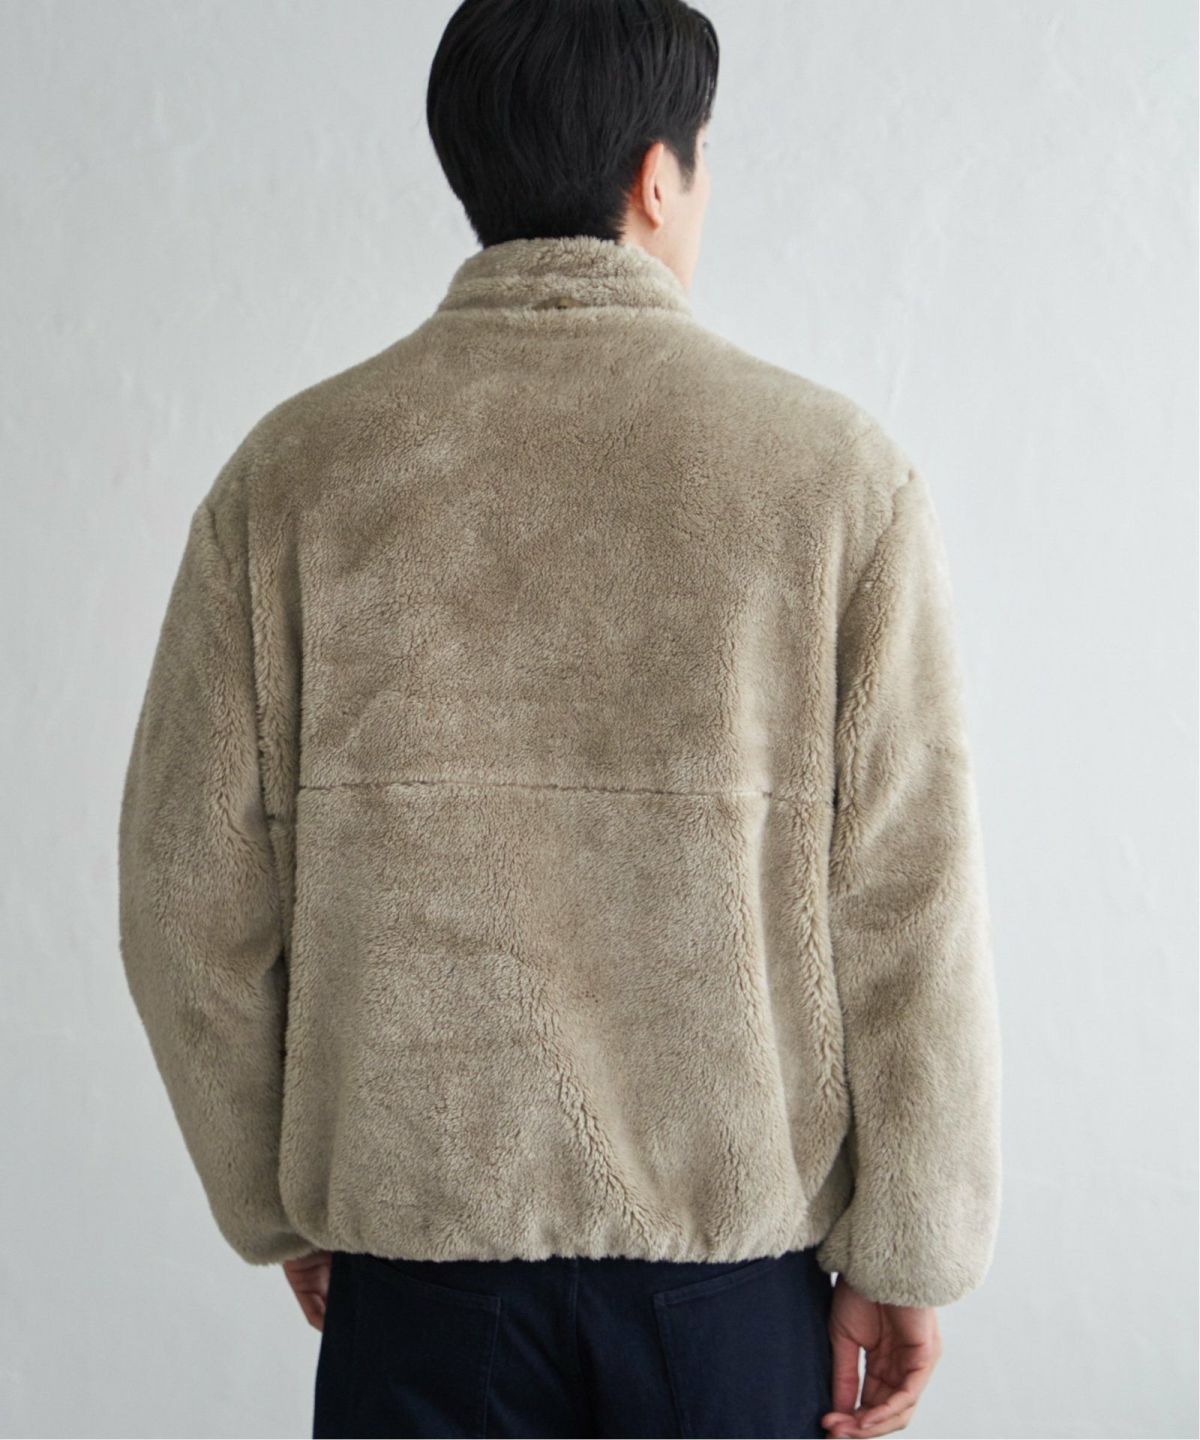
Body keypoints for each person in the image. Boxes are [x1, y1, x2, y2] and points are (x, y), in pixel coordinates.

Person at [116, 1, 1002, 1436]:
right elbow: (910, 903)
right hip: (728, 1295)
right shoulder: (834, 478)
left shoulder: (293, 477)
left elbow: (184, 900)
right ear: (658, 175)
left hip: (419, 1286)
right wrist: (907, 1249)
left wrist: (278, 1198)